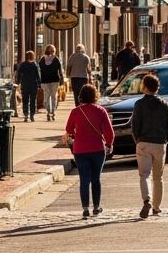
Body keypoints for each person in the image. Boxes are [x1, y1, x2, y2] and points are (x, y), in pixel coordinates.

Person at [63, 84, 114, 219]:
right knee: (96, 178)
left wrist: (76, 135)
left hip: (80, 150)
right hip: (97, 148)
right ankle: (96, 207)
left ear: (81, 97)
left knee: (84, 179)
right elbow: (109, 132)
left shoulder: (75, 112)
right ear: (95, 96)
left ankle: (85, 208)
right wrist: (109, 143)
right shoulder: (101, 111)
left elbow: (69, 129)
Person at [130, 73, 168, 218]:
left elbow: (134, 125)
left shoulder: (139, 104)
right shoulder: (164, 104)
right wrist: (165, 139)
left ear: (145, 86)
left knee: (144, 175)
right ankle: (156, 207)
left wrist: (137, 139)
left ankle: (146, 199)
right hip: (159, 143)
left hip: (143, 142)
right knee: (158, 177)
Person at [39, 44, 64, 121]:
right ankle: (52, 112)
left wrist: (39, 80)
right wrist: (62, 80)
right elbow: (60, 70)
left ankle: (48, 111)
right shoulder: (56, 59)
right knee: (53, 96)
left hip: (44, 81)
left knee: (46, 96)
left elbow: (39, 70)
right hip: (54, 80)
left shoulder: (42, 59)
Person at [16, 51, 41, 123]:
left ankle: (26, 114)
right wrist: (39, 84)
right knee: (33, 101)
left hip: (25, 84)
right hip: (33, 85)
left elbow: (19, 74)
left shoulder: (23, 65)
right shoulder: (35, 65)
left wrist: (18, 82)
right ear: (33, 56)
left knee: (25, 100)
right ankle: (32, 115)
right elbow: (38, 76)